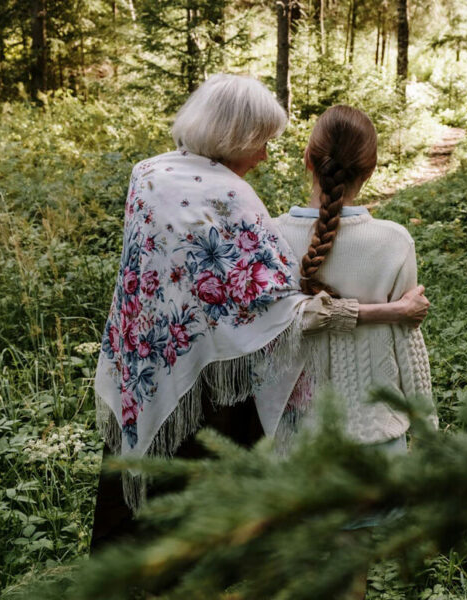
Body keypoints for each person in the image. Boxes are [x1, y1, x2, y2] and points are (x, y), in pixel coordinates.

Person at [89, 75, 430, 551]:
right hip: (213, 387)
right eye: (262, 142)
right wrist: (391, 311)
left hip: (152, 366)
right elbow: (285, 313)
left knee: (158, 525)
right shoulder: (236, 199)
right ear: (233, 138)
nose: (266, 155)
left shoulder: (148, 174)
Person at [272, 104, 436, 600]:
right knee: (351, 575)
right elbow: (407, 337)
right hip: (371, 431)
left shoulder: (270, 236)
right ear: (372, 168)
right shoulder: (393, 241)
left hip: (289, 433)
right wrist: (424, 422)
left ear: (308, 158)